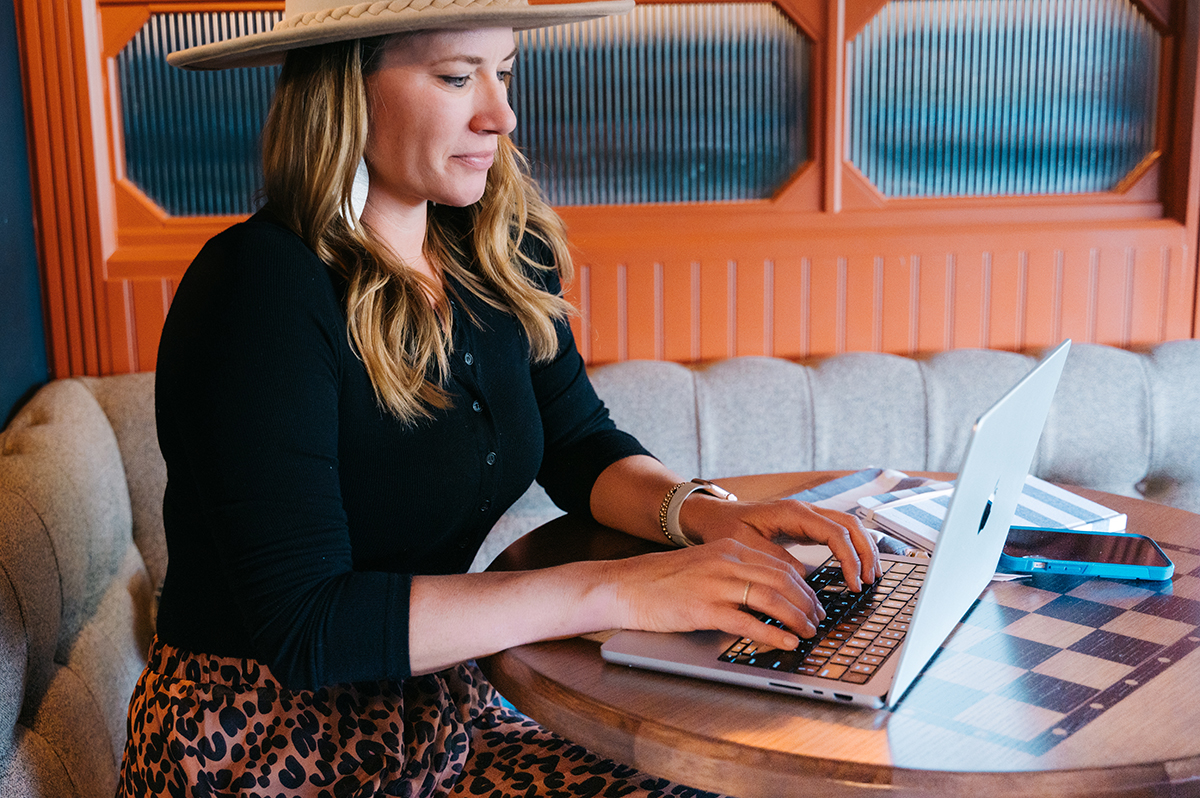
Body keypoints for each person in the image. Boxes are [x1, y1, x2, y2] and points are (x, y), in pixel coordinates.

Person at [117, 1, 882, 795]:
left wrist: (703, 514)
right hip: (265, 750)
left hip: (444, 718)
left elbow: (577, 440)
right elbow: (308, 626)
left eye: (505, 72)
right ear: (345, 91)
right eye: (457, 77)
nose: (501, 115)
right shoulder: (261, 286)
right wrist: (621, 590)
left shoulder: (500, 249)